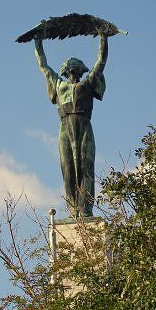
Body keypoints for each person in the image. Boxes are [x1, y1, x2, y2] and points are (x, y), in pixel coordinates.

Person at [34, 34, 108, 217]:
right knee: (68, 168)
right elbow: (43, 65)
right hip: (65, 127)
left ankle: (86, 209)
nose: (73, 72)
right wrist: (38, 42)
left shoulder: (87, 83)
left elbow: (101, 63)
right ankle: (72, 209)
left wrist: (103, 38)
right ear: (67, 71)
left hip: (83, 126)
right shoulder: (59, 84)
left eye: (76, 69)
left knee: (85, 167)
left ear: (80, 71)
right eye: (71, 69)